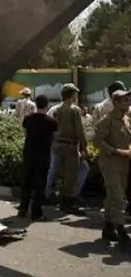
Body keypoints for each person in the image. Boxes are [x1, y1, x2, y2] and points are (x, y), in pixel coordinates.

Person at [93, 88, 131, 246]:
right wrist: (116, 151)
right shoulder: (107, 120)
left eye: (128, 100)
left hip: (124, 162)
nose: (128, 102)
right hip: (110, 162)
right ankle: (121, 231)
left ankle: (108, 228)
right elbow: (97, 141)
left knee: (114, 194)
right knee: (117, 196)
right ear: (115, 102)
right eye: (124, 100)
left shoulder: (126, 119)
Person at [18, 94, 57, 221]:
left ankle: (23, 209)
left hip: (29, 153)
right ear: (47, 105)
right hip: (43, 155)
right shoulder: (52, 122)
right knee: (40, 184)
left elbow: (25, 134)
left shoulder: (28, 119)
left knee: (26, 182)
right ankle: (36, 212)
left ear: (36, 104)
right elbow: (55, 138)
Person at [51, 83, 87, 214]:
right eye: (75, 94)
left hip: (58, 145)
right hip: (70, 146)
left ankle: (61, 201)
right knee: (71, 176)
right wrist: (84, 147)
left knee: (62, 175)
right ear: (72, 95)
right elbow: (79, 131)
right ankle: (68, 204)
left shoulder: (57, 109)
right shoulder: (74, 110)